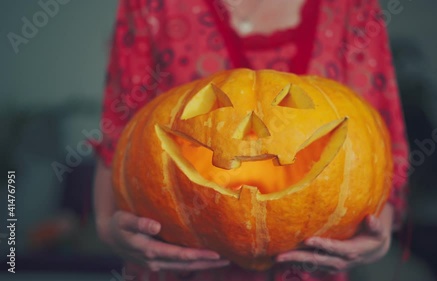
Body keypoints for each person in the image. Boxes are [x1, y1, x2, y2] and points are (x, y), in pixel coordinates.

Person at [92, 0, 409, 280]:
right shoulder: (152, 4)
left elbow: (381, 141)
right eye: (216, 104)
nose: (253, 132)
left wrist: (378, 237)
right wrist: (109, 229)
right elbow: (120, 138)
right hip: (176, 270)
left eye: (288, 102)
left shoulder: (352, 6)